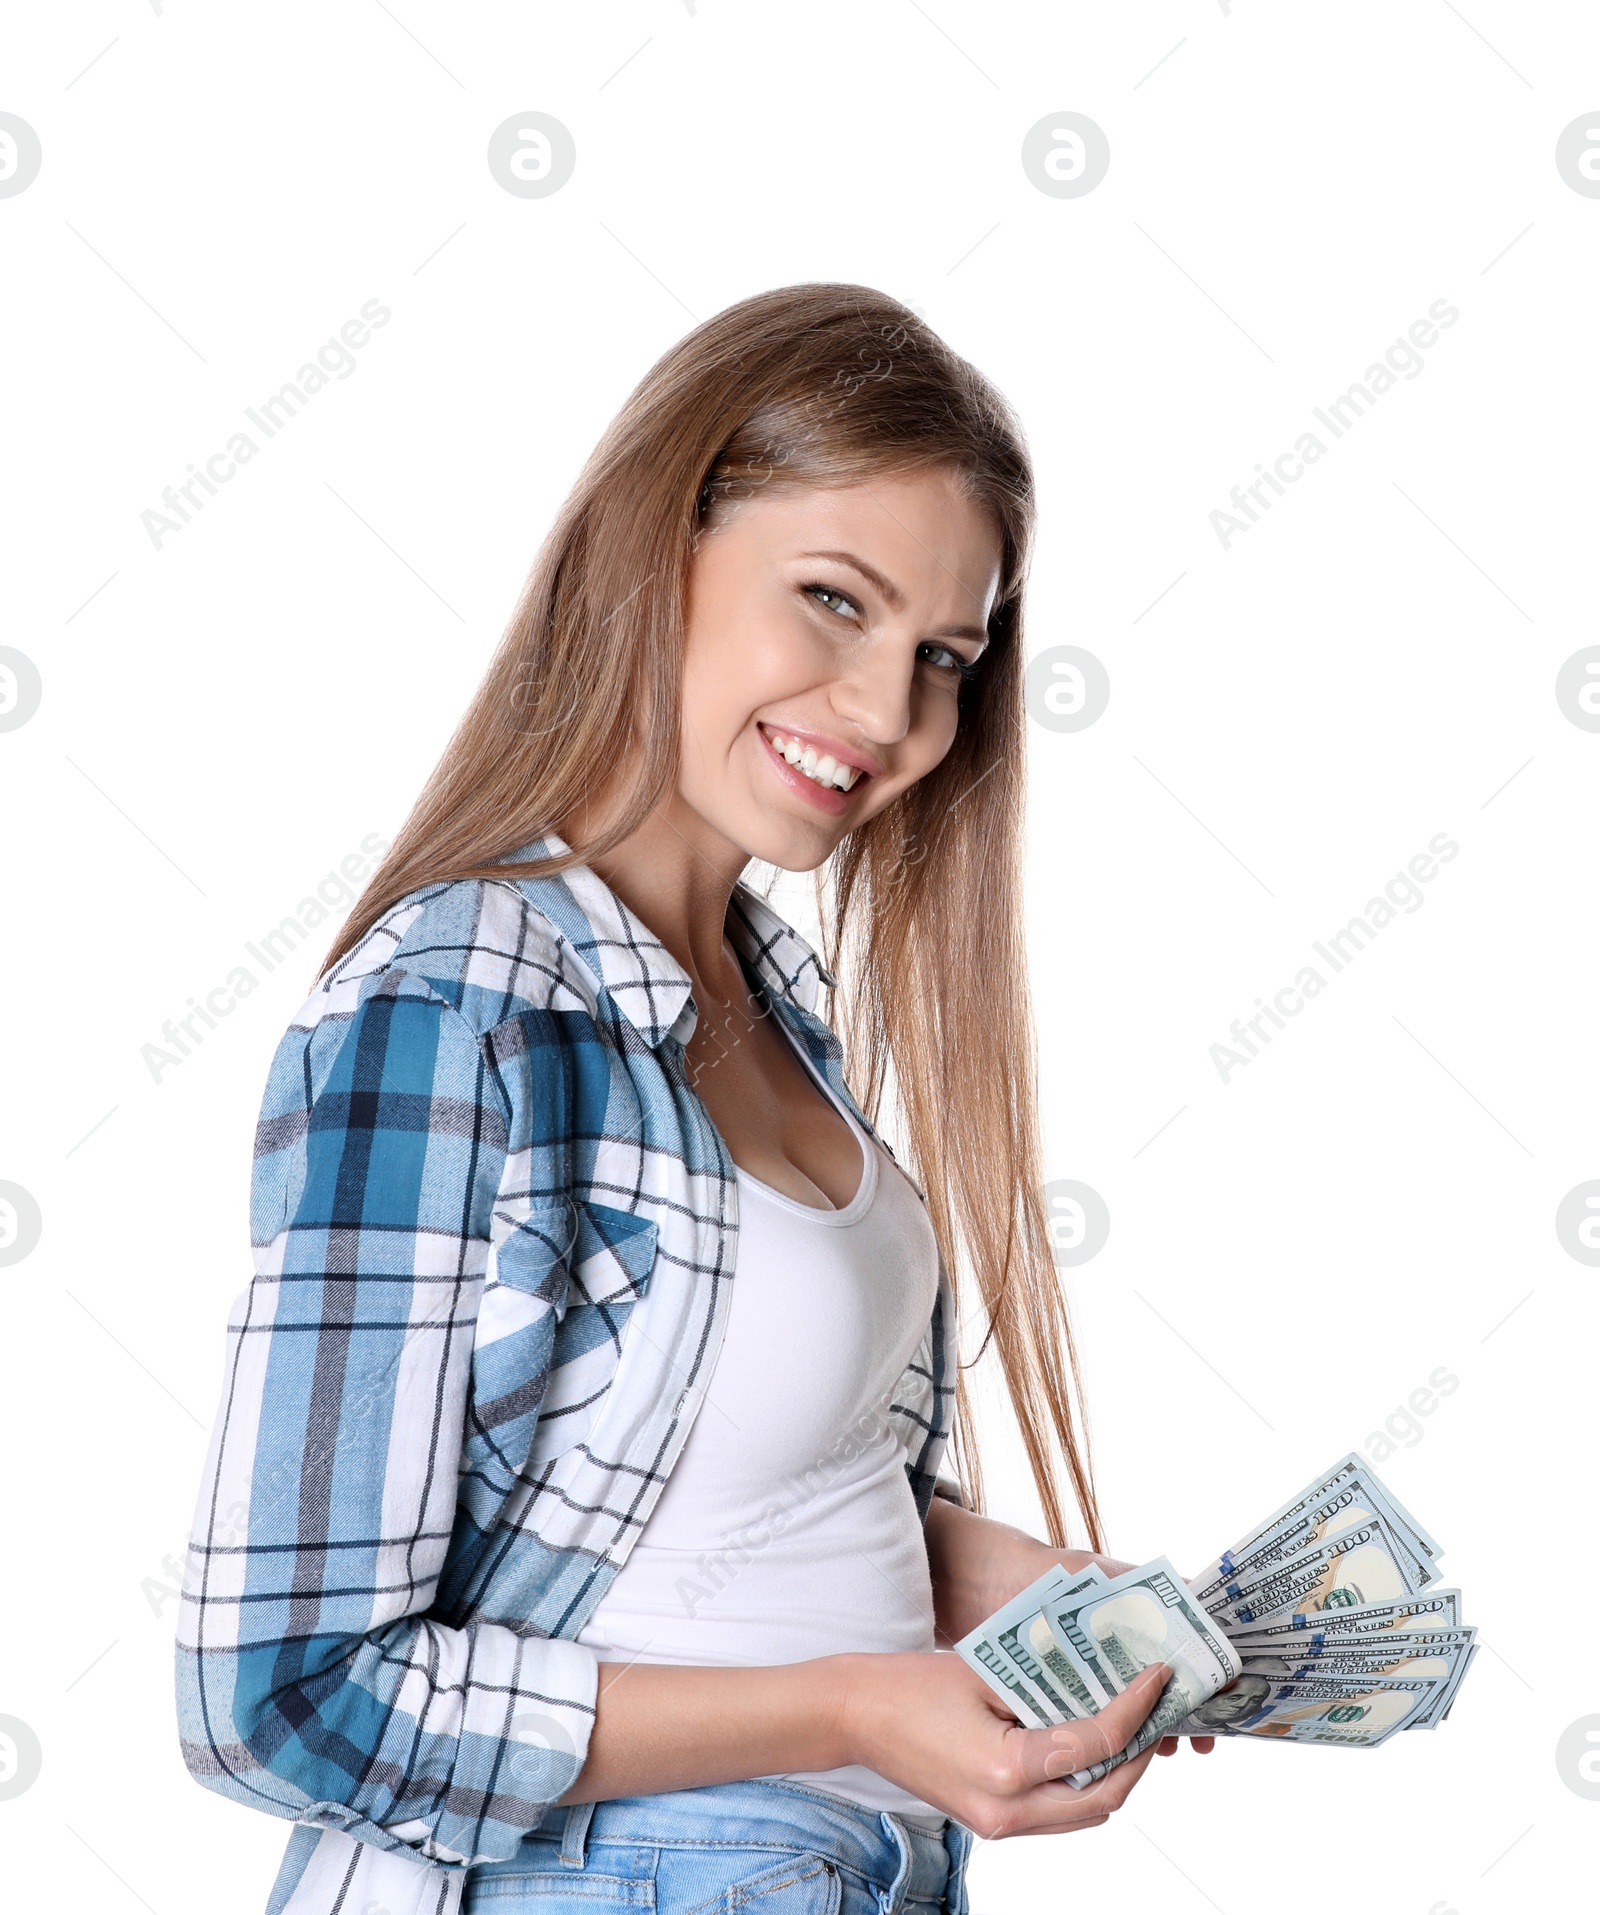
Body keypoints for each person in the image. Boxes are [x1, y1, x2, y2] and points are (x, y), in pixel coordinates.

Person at [174, 284, 1210, 1915]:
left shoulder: (773, 1003)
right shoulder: (454, 1008)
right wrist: (851, 1704)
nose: (889, 717)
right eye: (831, 601)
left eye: (942, 655)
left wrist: (1005, 1587)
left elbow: (711, 1506)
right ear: (653, 554)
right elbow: (280, 1697)